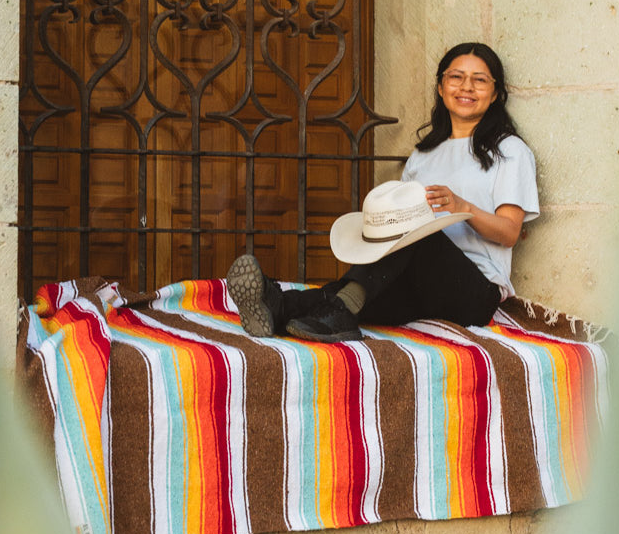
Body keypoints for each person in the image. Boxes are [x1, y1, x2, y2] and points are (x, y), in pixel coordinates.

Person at [226, 41, 539, 342]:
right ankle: (279, 305)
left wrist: (462, 206)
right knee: (363, 291)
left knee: (416, 233)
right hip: (420, 284)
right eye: (456, 77)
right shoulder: (423, 154)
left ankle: (338, 313)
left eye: (479, 80)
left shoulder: (509, 151)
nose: (466, 87)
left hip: (474, 293)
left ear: (495, 93)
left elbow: (509, 232)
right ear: (441, 87)